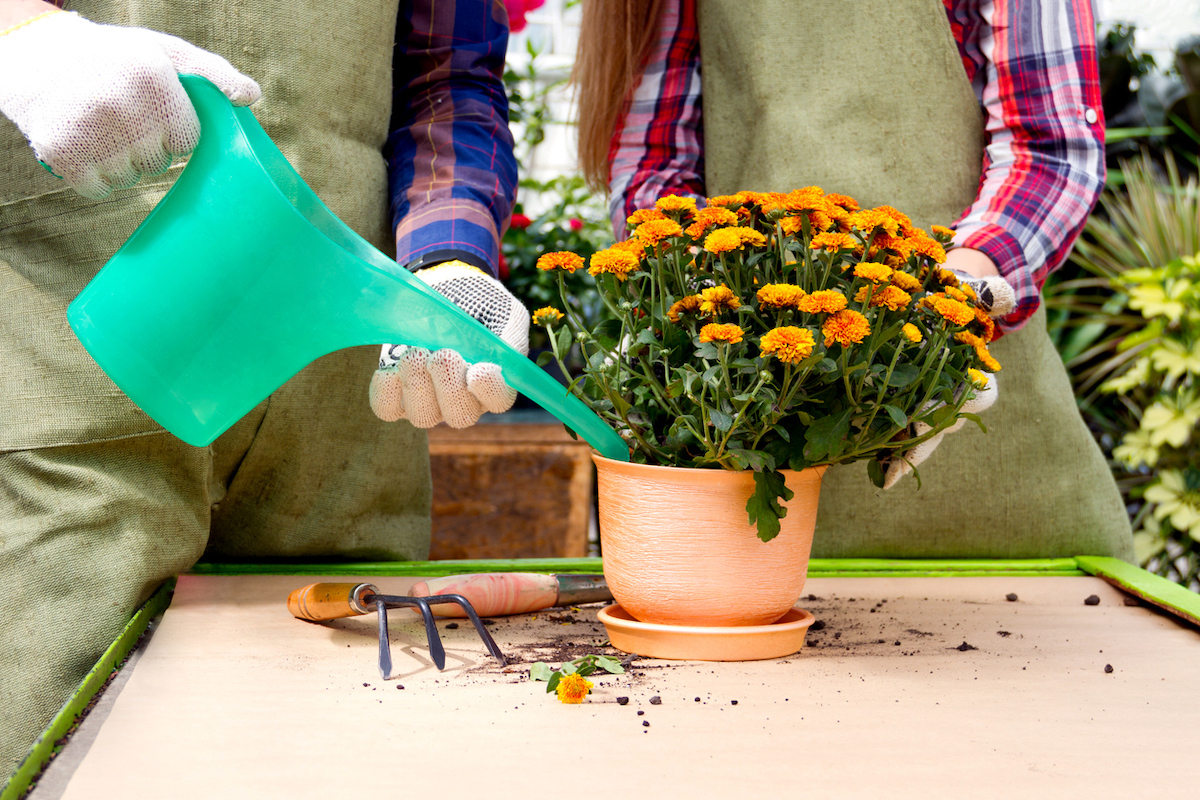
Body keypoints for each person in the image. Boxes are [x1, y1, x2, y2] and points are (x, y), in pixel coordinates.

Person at [0, 0, 526, 778]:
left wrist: (449, 260)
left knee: (343, 752)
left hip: (344, 411)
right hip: (78, 373)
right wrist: (22, 35)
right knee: (62, 754)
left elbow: (446, 78)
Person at [573, 0, 1134, 559]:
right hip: (756, 431)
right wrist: (690, 299)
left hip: (1001, 481)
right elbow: (654, 166)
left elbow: (1050, 151)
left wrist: (949, 318)